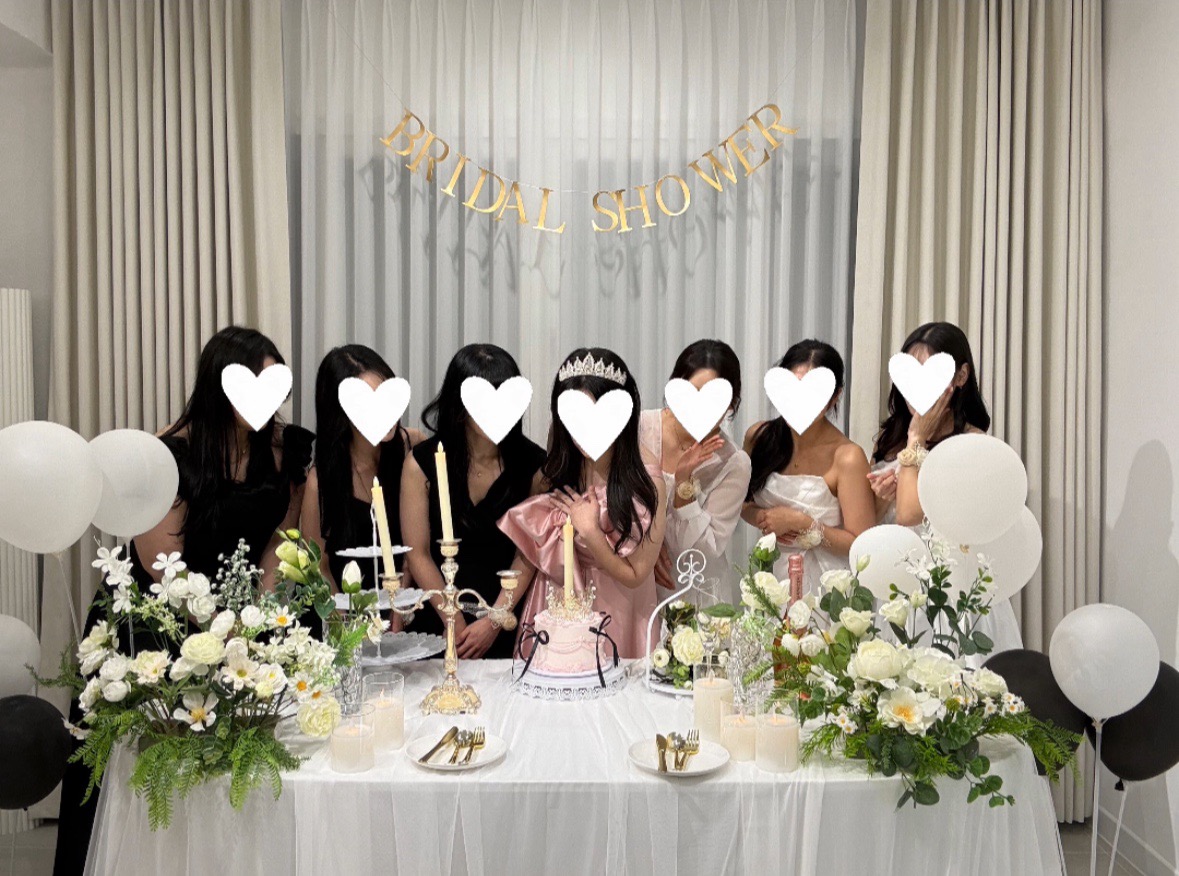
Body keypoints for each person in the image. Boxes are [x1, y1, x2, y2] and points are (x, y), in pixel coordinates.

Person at [56, 325, 312, 876]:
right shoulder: (170, 453)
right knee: (162, 767)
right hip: (160, 616)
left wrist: (256, 614)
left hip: (241, 611)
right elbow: (160, 563)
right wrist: (215, 629)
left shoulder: (283, 448)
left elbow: (279, 536)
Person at [866, 321, 1022, 658]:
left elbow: (910, 515)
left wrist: (916, 439)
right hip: (899, 586)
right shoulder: (890, 441)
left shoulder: (973, 444)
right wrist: (884, 495)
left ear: (961, 376)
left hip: (952, 591)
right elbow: (876, 521)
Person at [499, 348, 667, 658]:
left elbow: (637, 574)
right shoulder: (554, 473)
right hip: (556, 607)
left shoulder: (646, 481)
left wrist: (590, 532)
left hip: (620, 611)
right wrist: (496, 616)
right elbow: (531, 552)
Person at [400, 344, 546, 659]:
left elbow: (529, 554)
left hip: (505, 619)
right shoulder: (421, 463)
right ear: (460, 404)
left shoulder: (533, 466)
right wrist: (453, 619)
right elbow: (418, 553)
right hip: (438, 616)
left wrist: (494, 620)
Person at [741, 340, 875, 592]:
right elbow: (743, 502)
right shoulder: (759, 437)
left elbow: (861, 544)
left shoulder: (848, 457)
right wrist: (763, 518)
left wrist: (801, 523)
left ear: (835, 396)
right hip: (769, 575)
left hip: (826, 585)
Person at [300, 345, 423, 594]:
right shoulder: (321, 480)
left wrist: (399, 603)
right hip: (345, 605)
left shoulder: (412, 446)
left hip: (405, 600)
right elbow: (318, 567)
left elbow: (419, 545)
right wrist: (346, 618)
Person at [638, 339, 751, 592]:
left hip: (694, 588)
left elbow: (704, 550)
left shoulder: (734, 463)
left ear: (732, 403)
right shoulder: (639, 429)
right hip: (633, 577)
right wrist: (646, 548)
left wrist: (684, 485)